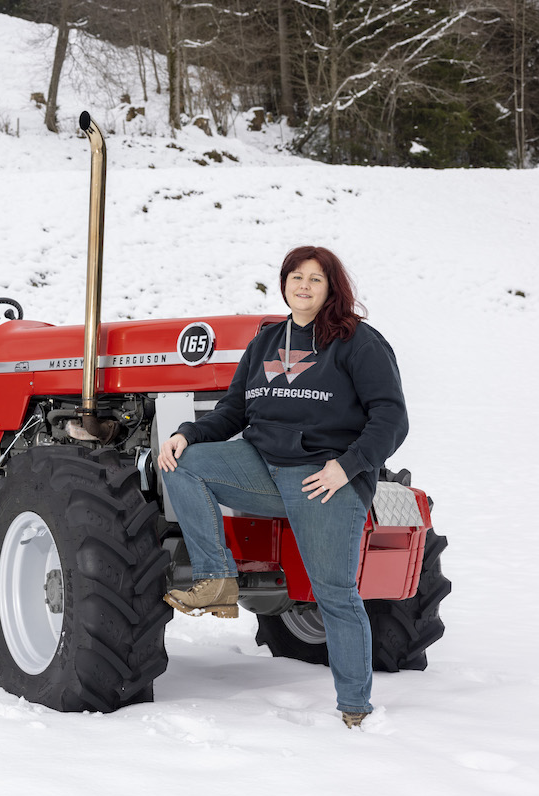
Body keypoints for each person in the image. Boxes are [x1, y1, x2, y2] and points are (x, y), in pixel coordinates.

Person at [157, 245, 408, 729]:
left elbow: (391, 417)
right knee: (182, 464)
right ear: (284, 284)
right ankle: (216, 580)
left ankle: (355, 707)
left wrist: (348, 467)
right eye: (296, 277)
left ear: (331, 287)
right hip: (259, 462)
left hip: (321, 479)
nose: (304, 286)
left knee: (335, 595)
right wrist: (188, 434)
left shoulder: (357, 341)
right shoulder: (267, 341)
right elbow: (234, 410)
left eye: (315, 278)